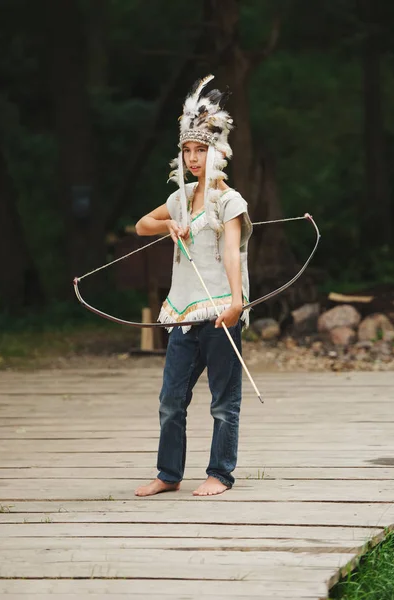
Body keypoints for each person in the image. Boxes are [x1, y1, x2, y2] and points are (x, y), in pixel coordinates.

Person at [134, 75, 252, 497]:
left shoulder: (228, 200)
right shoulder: (180, 198)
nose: (192, 158)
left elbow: (233, 253)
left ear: (217, 152)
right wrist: (169, 225)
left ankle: (220, 473)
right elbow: (141, 225)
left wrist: (237, 303)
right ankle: (169, 473)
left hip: (220, 309)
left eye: (200, 150)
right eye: (187, 150)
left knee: (223, 402)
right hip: (183, 312)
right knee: (170, 401)